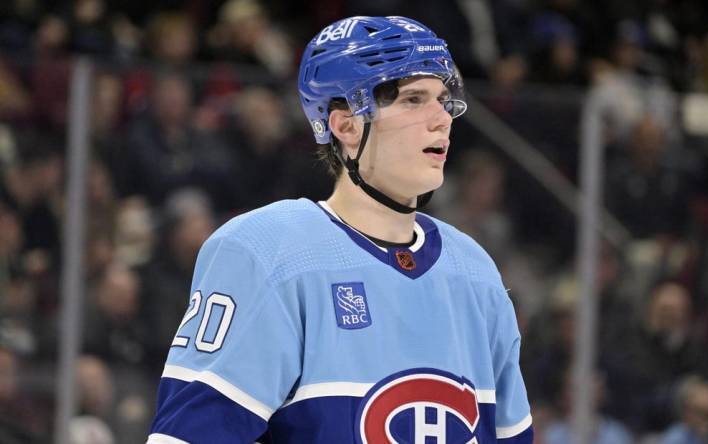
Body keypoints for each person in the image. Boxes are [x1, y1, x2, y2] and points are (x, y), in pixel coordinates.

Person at [147, 15, 533, 443]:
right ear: (346, 125)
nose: (441, 118)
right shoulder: (268, 251)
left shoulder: (475, 271)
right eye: (413, 99)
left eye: (443, 99)